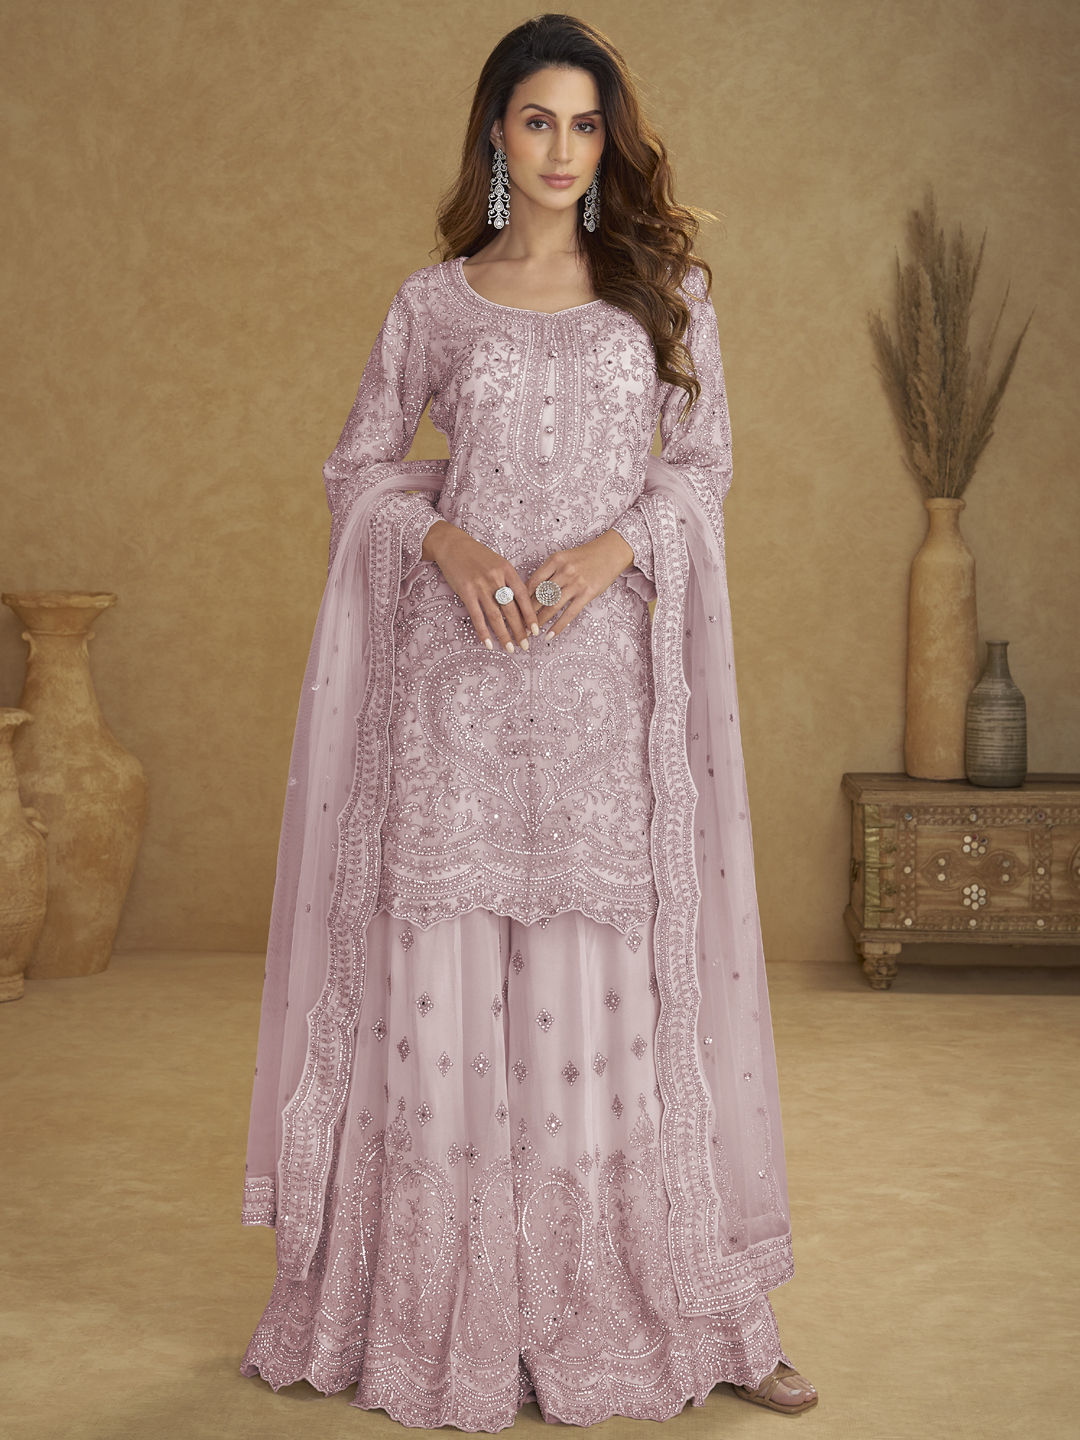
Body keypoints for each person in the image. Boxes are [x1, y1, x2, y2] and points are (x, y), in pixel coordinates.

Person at [238, 12, 818, 1429]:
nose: (564, 149)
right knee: (444, 1009)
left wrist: (619, 547)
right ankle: (445, 1319)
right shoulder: (433, 306)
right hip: (454, 708)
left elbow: (703, 467)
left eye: (586, 124)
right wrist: (442, 539)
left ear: (611, 142)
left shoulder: (665, 293)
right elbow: (359, 468)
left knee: (607, 1013)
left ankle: (672, 1310)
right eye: (538, 121)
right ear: (497, 135)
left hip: (600, 708)